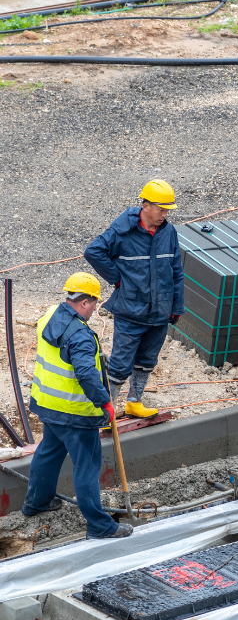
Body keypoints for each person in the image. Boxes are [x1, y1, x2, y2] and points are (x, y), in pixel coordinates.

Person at [21, 273, 132, 540]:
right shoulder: (81, 335)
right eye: (94, 303)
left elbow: (60, 356)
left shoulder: (50, 315)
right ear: (84, 302)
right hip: (76, 413)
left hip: (49, 405)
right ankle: (99, 525)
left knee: (49, 453)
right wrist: (105, 403)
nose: (95, 309)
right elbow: (85, 374)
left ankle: (36, 503)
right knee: (87, 467)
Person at [84, 180, 184, 419]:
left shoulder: (168, 232)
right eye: (161, 209)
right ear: (146, 206)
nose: (165, 214)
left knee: (147, 360)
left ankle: (134, 402)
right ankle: (106, 413)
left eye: (167, 210)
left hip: (160, 311)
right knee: (120, 364)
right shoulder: (123, 231)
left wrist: (176, 306)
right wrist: (118, 279)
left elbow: (176, 271)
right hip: (131, 310)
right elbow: (93, 251)